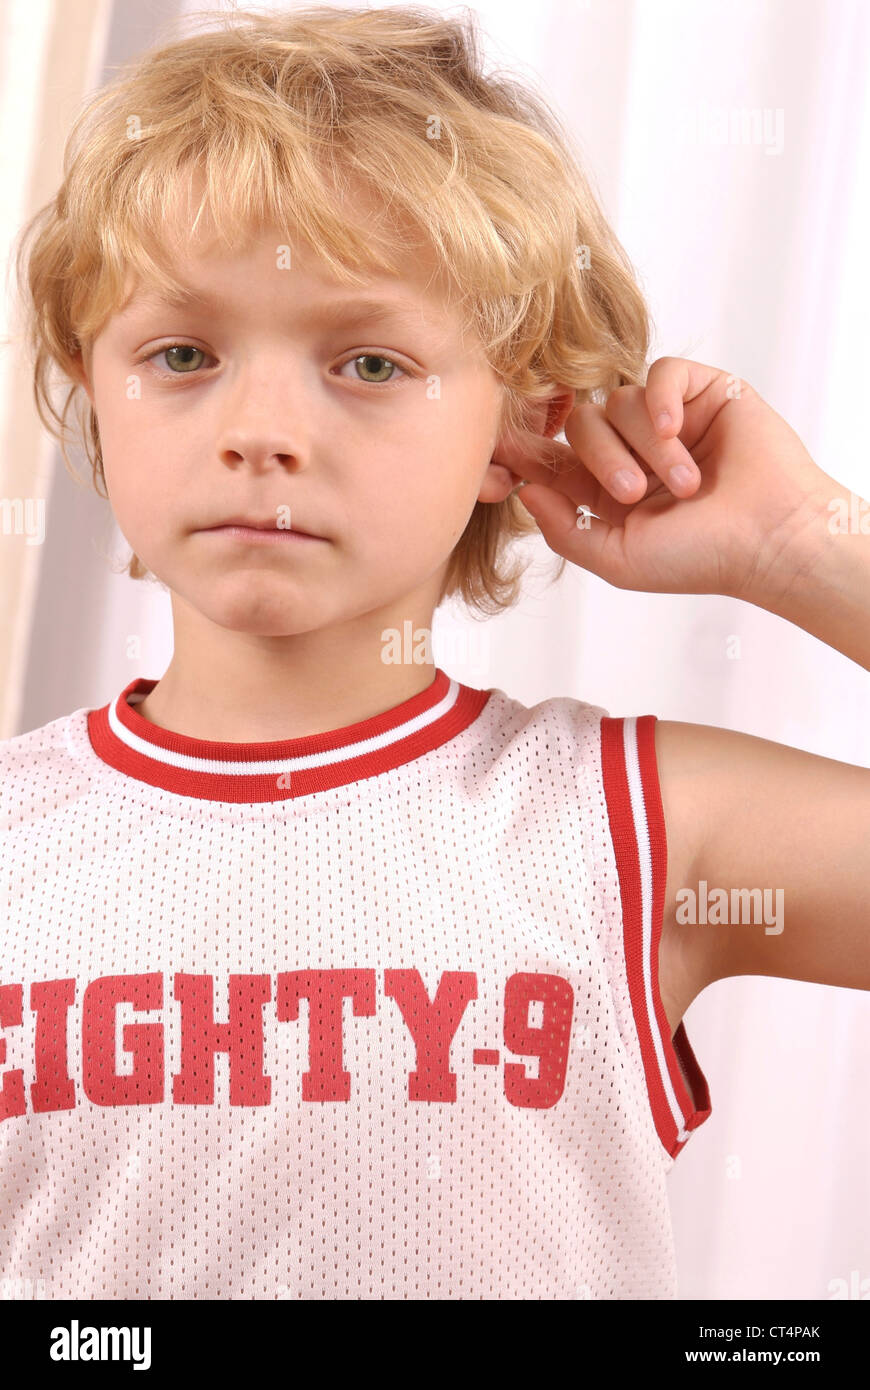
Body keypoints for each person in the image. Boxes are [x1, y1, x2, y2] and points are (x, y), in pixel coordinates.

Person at [2, 4, 868, 1301]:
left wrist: (806, 544)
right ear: (91, 379)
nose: (261, 430)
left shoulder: (637, 829)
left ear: (524, 413)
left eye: (366, 359)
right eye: (182, 352)